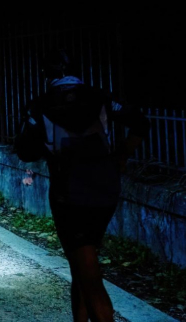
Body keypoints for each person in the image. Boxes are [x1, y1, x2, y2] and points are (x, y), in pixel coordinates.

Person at [14, 48, 149, 322]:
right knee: (81, 264)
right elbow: (140, 122)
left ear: (45, 74)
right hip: (106, 189)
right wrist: (122, 154)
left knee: (88, 274)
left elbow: (25, 150)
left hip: (69, 193)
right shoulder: (100, 97)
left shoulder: (39, 105)